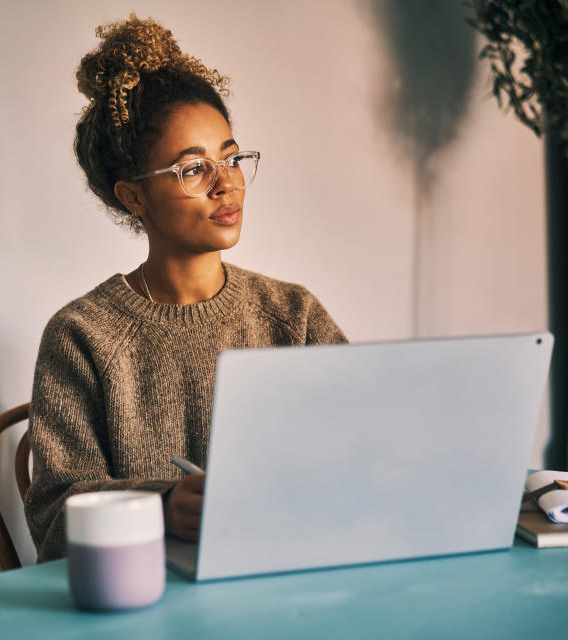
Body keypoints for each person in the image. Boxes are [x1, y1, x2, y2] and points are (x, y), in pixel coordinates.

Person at [24, 15, 347, 562]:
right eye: (193, 168)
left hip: (291, 581)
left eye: (231, 157)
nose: (227, 183)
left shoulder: (294, 315)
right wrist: (162, 506)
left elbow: (368, 453)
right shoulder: (83, 336)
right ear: (133, 198)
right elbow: (54, 520)